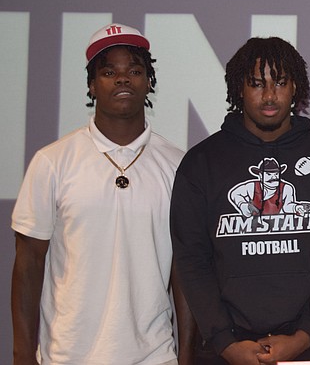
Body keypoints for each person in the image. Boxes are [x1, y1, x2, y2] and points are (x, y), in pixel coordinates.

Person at [170, 36, 310, 365]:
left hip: (305, 345)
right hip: (222, 349)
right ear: (238, 89)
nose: (270, 95)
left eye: (280, 83)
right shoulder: (201, 163)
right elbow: (191, 261)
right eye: (257, 84)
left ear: (295, 89)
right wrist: (225, 341)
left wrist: (303, 336)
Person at [11, 23, 192, 365]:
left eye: (135, 71)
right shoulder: (52, 162)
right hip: (65, 356)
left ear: (148, 81)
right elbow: (28, 264)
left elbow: (183, 272)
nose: (123, 79)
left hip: (154, 357)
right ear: (92, 86)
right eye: (109, 72)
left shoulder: (178, 165)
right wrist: (22, 353)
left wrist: (186, 356)